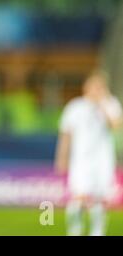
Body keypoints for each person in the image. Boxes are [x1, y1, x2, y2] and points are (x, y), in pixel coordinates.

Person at [55, 71, 122, 236]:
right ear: (86, 87)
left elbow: (115, 125)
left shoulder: (110, 104)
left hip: (103, 160)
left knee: (99, 199)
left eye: (100, 86)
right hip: (81, 161)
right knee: (78, 197)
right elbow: (66, 134)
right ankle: (74, 230)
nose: (96, 89)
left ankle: (97, 232)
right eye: (93, 85)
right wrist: (61, 157)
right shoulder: (75, 106)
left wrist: (102, 104)